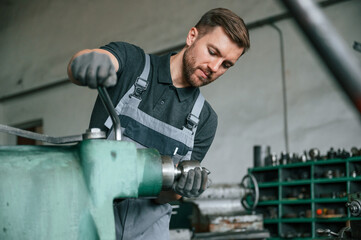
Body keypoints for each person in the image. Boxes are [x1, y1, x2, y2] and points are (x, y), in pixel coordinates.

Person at [67, 7, 250, 240]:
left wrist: (180, 189)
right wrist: (88, 62)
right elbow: (91, 61)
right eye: (213, 52)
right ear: (192, 36)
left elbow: (165, 197)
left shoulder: (205, 119)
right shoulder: (132, 63)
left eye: (226, 65)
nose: (214, 68)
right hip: (91, 223)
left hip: (149, 232)